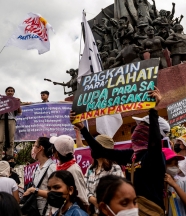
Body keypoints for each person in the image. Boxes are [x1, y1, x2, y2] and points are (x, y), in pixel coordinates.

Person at [71, 87, 166, 215]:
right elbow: (102, 151)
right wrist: (83, 129)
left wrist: (153, 110)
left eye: (141, 127)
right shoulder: (131, 155)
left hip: (151, 211)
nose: (136, 129)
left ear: (149, 133)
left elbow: (154, 144)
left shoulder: (155, 156)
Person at [85, 135, 124, 214]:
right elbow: (84, 187)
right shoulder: (90, 169)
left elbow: (116, 192)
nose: (92, 150)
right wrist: (92, 199)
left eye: (95, 147)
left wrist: (99, 202)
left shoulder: (114, 168)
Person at [163, 148, 186, 216]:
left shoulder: (185, 183)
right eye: (172, 164)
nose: (176, 167)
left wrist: (175, 185)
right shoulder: (157, 187)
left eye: (176, 164)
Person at [0, 86, 22, 161]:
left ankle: (9, 159)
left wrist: (18, 104)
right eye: (8, 91)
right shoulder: (1, 100)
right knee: (0, 140)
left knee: (11, 140)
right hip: (2, 120)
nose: (10, 92)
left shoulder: (16, 101)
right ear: (6, 92)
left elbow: (19, 113)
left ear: (13, 93)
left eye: (11, 91)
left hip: (11, 120)